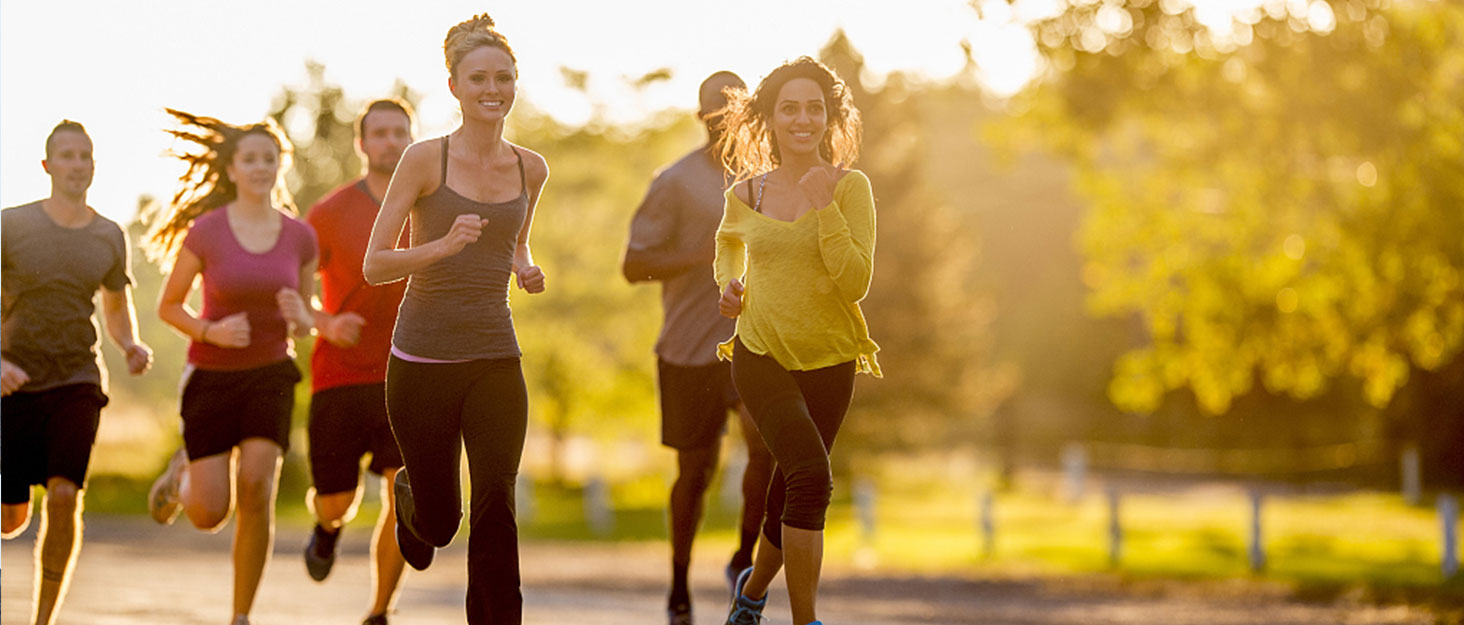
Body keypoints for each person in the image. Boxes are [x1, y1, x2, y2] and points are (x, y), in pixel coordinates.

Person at [362, 13, 549, 625]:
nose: (491, 89)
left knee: (497, 504)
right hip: (421, 363)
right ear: (454, 87)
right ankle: (414, 496)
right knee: (443, 527)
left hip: (495, 356)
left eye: (503, 77)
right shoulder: (424, 160)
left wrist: (525, 266)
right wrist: (439, 247)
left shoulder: (531, 168)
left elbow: (515, 242)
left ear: (515, 82)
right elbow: (375, 264)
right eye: (478, 78)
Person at [712, 57, 880, 625]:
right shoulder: (748, 193)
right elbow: (729, 245)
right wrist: (729, 287)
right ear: (771, 118)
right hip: (759, 354)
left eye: (814, 108)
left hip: (831, 360)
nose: (802, 119)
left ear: (829, 117)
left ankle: (751, 593)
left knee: (793, 487)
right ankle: (806, 620)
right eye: (790, 108)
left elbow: (855, 280)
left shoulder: (850, 187)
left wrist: (823, 206)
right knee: (813, 476)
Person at [144, 110, 318, 625]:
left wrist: (301, 316)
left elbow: (305, 321)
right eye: (251, 159)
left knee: (258, 486)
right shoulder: (208, 231)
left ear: (280, 165)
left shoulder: (299, 236)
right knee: (209, 514)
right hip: (212, 376)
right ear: (233, 169)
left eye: (270, 158)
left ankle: (241, 615)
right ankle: (183, 476)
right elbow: (169, 305)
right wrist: (210, 331)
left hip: (270, 373)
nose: (261, 167)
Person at [623, 71, 775, 625]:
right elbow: (633, 265)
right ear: (700, 117)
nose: (725, 121)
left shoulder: (772, 180)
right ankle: (679, 582)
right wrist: (702, 254)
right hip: (689, 348)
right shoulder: (676, 181)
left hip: (756, 341)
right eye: (715, 111)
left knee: (765, 444)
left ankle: (741, 558)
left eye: (735, 110)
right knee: (696, 471)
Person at [1, 120, 153, 625]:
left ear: (94, 165)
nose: (77, 164)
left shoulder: (109, 234)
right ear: (47, 166)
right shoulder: (11, 225)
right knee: (10, 519)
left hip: (77, 381)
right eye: (66, 155)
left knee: (65, 495)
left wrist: (129, 343)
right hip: (14, 380)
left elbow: (115, 305)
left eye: (85, 155)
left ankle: (41, 621)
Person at [299, 98, 416, 625]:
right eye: (380, 133)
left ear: (410, 139)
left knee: (402, 494)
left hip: (410, 373)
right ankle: (327, 528)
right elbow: (293, 294)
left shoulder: (429, 208)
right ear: (362, 144)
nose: (390, 141)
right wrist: (325, 323)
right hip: (339, 376)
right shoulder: (326, 213)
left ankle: (379, 610)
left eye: (400, 132)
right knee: (336, 500)